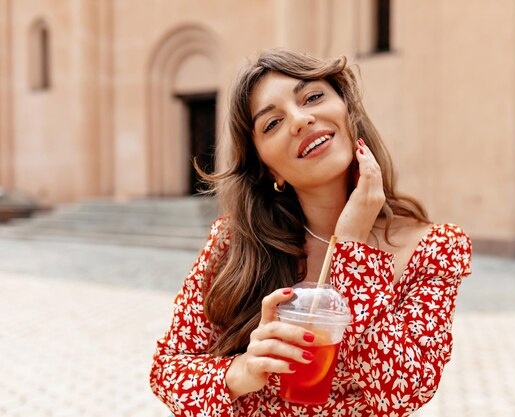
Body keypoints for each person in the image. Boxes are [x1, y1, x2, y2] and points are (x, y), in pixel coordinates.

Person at [149, 48, 472, 417]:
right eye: (272, 123)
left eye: (313, 97)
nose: (300, 119)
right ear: (271, 170)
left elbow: (402, 392)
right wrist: (241, 371)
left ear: (347, 112)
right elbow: (168, 370)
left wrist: (353, 249)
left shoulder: (435, 248)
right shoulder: (233, 242)